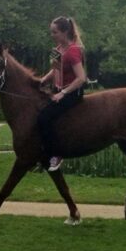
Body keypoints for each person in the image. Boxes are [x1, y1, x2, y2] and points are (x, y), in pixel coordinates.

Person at [38, 16, 88, 172]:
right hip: (59, 90)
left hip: (72, 92)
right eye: (51, 32)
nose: (52, 35)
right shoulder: (56, 50)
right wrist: (42, 80)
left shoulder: (73, 51)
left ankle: (56, 155)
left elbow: (81, 78)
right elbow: (55, 71)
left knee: (44, 117)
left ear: (65, 31)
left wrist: (63, 93)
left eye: (55, 32)